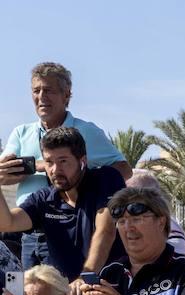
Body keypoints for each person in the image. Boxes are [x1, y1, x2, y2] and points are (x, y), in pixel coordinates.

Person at [0, 61, 130, 269]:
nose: (42, 97)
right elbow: (3, 175)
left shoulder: (87, 132)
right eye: (36, 90)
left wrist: (82, 181)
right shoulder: (21, 133)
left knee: (65, 293)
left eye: (49, 90)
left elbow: (123, 170)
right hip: (29, 230)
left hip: (69, 226)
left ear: (66, 95)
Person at [0, 126, 124, 282]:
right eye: (49, 162)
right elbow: (7, 223)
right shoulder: (43, 199)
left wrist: (85, 277)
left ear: (82, 161)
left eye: (63, 161)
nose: (55, 170)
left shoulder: (106, 179)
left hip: (111, 289)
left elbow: (106, 230)